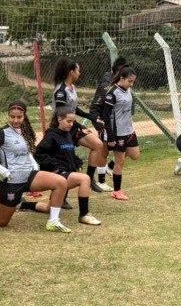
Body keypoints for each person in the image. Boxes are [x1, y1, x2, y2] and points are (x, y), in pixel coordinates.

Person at [0, 100, 74, 233]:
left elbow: (25, 150)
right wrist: (1, 169)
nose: (16, 120)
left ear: (24, 116)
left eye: (19, 117)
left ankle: (53, 221)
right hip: (12, 181)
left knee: (61, 182)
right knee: (1, 221)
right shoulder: (2, 133)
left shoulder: (24, 130)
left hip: (30, 175)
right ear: (8, 115)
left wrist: (33, 163)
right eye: (12, 117)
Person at [33, 104, 102, 226]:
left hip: (67, 173)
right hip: (57, 175)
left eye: (73, 122)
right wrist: (55, 167)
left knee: (49, 208)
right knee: (85, 179)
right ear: (59, 119)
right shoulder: (51, 135)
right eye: (68, 121)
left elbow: (68, 153)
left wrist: (76, 162)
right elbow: (39, 154)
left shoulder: (68, 135)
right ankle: (84, 215)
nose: (71, 124)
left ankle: (23, 204)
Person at [53, 58, 109, 192]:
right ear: (71, 72)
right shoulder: (61, 91)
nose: (80, 73)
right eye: (78, 70)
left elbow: (74, 109)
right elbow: (62, 114)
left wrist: (91, 117)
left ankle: (89, 179)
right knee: (66, 161)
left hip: (73, 125)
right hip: (62, 128)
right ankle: (60, 195)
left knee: (98, 144)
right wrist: (76, 126)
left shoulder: (72, 88)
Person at [87, 56, 130, 192]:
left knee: (127, 148)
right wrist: (98, 121)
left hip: (117, 121)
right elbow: (101, 105)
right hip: (102, 119)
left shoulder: (120, 82)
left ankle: (109, 167)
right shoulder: (108, 82)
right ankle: (101, 181)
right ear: (118, 71)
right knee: (104, 149)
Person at [99, 65, 140, 200]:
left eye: (133, 81)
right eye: (129, 81)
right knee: (120, 162)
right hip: (118, 133)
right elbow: (106, 116)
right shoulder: (112, 93)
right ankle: (117, 191)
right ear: (121, 78)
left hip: (129, 130)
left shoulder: (127, 89)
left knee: (135, 155)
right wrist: (110, 137)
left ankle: (111, 165)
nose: (131, 84)